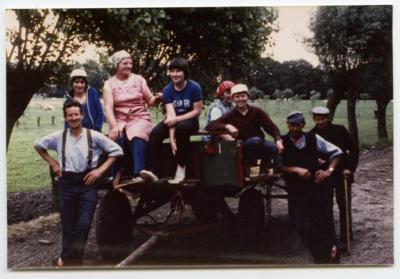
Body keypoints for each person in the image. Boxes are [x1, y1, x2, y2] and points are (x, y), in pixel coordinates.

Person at [34, 100, 123, 267]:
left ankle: (63, 259)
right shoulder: (59, 136)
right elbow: (38, 145)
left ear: (82, 115)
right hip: (66, 183)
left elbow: (117, 151)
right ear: (66, 118)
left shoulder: (93, 136)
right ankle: (74, 264)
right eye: (70, 115)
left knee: (83, 224)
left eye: (76, 114)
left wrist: (99, 171)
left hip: (87, 183)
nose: (74, 118)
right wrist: (53, 163)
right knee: (68, 225)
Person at [281, 111, 342, 264]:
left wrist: (329, 171)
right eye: (292, 125)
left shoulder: (313, 138)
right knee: (300, 225)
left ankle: (326, 258)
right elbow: (277, 167)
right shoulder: (281, 142)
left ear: (303, 125)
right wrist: (295, 169)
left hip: (316, 187)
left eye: (298, 125)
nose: (295, 128)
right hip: (296, 189)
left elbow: (337, 152)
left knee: (321, 221)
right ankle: (323, 254)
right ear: (287, 125)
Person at [140, 57, 203, 184]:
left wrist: (177, 120)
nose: (174, 74)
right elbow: (170, 114)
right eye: (172, 71)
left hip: (189, 120)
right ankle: (153, 170)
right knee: (155, 133)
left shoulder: (194, 87)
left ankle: (181, 167)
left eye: (178, 71)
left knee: (182, 129)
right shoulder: (168, 89)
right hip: (173, 119)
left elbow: (197, 111)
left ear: (185, 72)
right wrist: (172, 138)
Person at [103, 50, 162, 185]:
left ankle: (139, 173)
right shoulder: (109, 84)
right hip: (119, 119)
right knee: (116, 137)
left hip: (139, 117)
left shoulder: (139, 79)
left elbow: (150, 101)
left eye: (130, 63)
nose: (129, 66)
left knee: (137, 135)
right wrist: (113, 126)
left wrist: (158, 98)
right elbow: (108, 107)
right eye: (125, 63)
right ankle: (116, 173)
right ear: (117, 65)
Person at [309, 106, 359, 250]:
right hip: (326, 175)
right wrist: (317, 161)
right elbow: (311, 156)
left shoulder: (340, 130)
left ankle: (346, 237)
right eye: (317, 119)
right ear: (313, 119)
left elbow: (353, 149)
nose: (320, 122)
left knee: (344, 206)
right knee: (325, 206)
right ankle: (330, 238)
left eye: (323, 119)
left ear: (328, 118)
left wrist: (350, 168)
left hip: (343, 173)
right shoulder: (311, 135)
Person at [205, 83, 284, 174]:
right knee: (255, 141)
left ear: (247, 97)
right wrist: (227, 126)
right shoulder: (231, 115)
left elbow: (271, 127)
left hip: (259, 142)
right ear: (233, 99)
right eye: (237, 97)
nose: (240, 99)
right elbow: (210, 126)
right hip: (243, 145)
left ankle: (275, 172)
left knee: (273, 147)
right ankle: (252, 170)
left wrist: (278, 140)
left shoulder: (256, 111)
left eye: (243, 96)